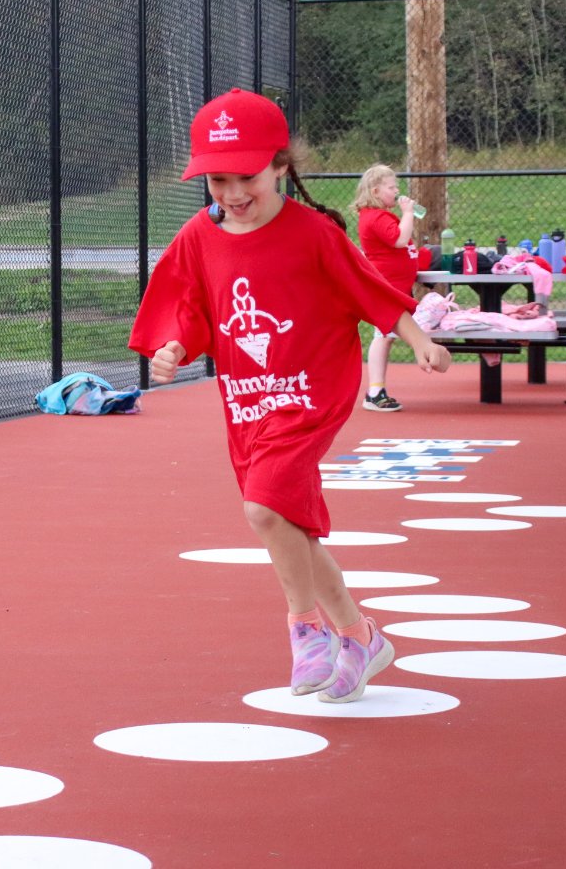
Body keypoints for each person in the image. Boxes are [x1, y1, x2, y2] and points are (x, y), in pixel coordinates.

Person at [129, 88, 451, 703]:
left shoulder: (314, 233)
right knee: (289, 526)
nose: (231, 193)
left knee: (263, 508)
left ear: (281, 167)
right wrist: (171, 346)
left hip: (312, 390)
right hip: (248, 398)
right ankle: (359, 637)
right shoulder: (201, 236)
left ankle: (305, 631)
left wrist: (418, 338)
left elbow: (369, 289)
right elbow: (189, 307)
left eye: (245, 176)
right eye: (217, 179)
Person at [352, 164, 420, 411]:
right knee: (383, 336)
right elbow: (400, 239)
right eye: (392, 187)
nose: (397, 191)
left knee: (387, 336)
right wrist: (408, 212)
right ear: (376, 190)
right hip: (389, 286)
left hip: (397, 285)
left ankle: (376, 390)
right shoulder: (376, 216)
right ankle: (374, 391)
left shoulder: (378, 215)